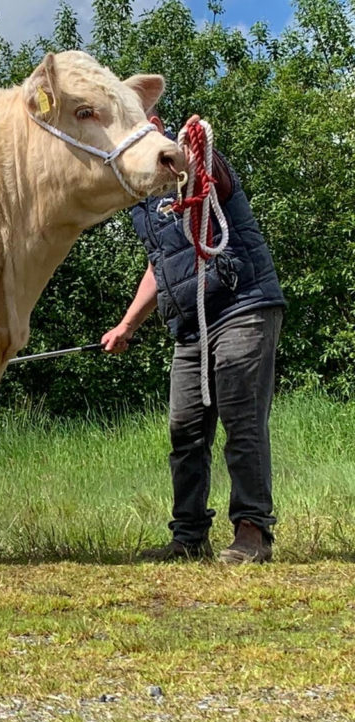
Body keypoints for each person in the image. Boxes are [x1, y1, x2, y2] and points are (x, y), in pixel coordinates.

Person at [101, 113, 285, 564]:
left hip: (242, 306)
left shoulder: (194, 166)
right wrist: (127, 325)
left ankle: (252, 533)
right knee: (184, 431)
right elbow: (160, 265)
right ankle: (188, 538)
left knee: (242, 422)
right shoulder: (142, 201)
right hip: (190, 327)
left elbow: (214, 176)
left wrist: (189, 151)